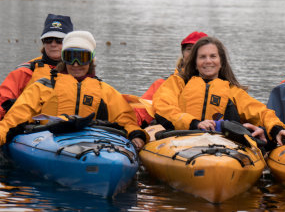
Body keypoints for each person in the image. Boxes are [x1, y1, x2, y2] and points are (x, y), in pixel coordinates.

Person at [0, 31, 147, 150]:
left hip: (93, 143)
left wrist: (137, 135)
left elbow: (125, 119)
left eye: (82, 57)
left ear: (90, 60)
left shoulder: (105, 91)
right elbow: (14, 119)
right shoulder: (42, 87)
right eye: (70, 57)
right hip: (47, 142)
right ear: (64, 60)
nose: (76, 64)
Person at [153, 36, 285, 146]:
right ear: (195, 63)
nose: (208, 61)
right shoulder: (178, 82)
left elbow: (261, 112)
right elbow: (163, 107)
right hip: (181, 138)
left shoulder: (232, 91)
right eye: (202, 57)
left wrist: (276, 129)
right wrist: (194, 123)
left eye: (213, 56)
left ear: (221, 62)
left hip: (220, 144)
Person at [0, 14, 73, 119]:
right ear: (43, 42)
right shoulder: (24, 72)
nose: (53, 44)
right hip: (32, 130)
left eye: (59, 40)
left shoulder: (81, 71)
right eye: (48, 39)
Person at [135, 31, 208, 127]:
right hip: (174, 132)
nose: (193, 54)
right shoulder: (163, 84)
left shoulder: (226, 86)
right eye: (189, 49)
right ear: (183, 54)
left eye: (198, 50)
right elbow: (140, 115)